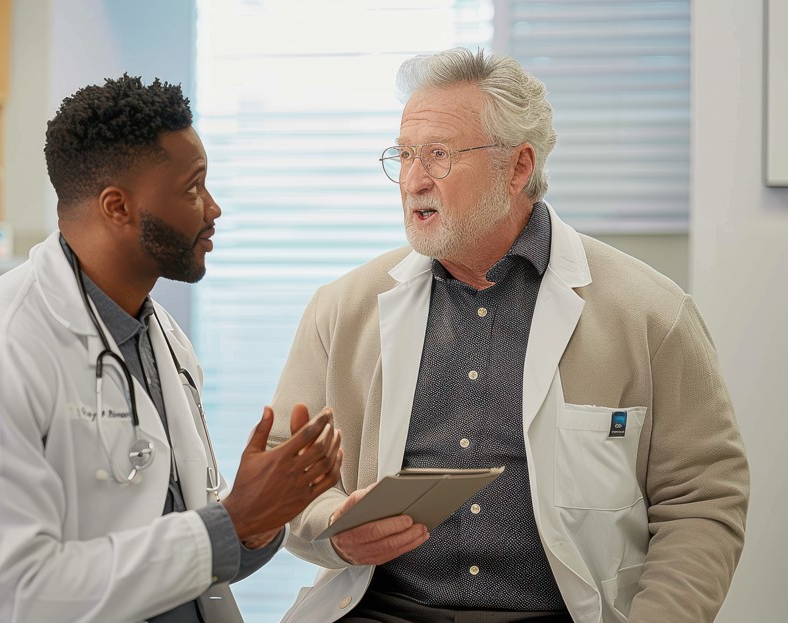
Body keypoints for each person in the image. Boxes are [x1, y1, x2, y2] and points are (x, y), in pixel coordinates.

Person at [268, 48, 749, 623]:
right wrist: (335, 534)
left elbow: (702, 497)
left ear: (519, 166)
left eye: (439, 156)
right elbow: (281, 475)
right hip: (380, 609)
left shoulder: (652, 314)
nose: (413, 180)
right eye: (404, 156)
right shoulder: (342, 310)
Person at [0, 75, 342, 623]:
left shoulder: (164, 341)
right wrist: (232, 522)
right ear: (117, 207)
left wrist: (264, 515)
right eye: (192, 189)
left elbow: (202, 552)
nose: (213, 209)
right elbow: (22, 596)